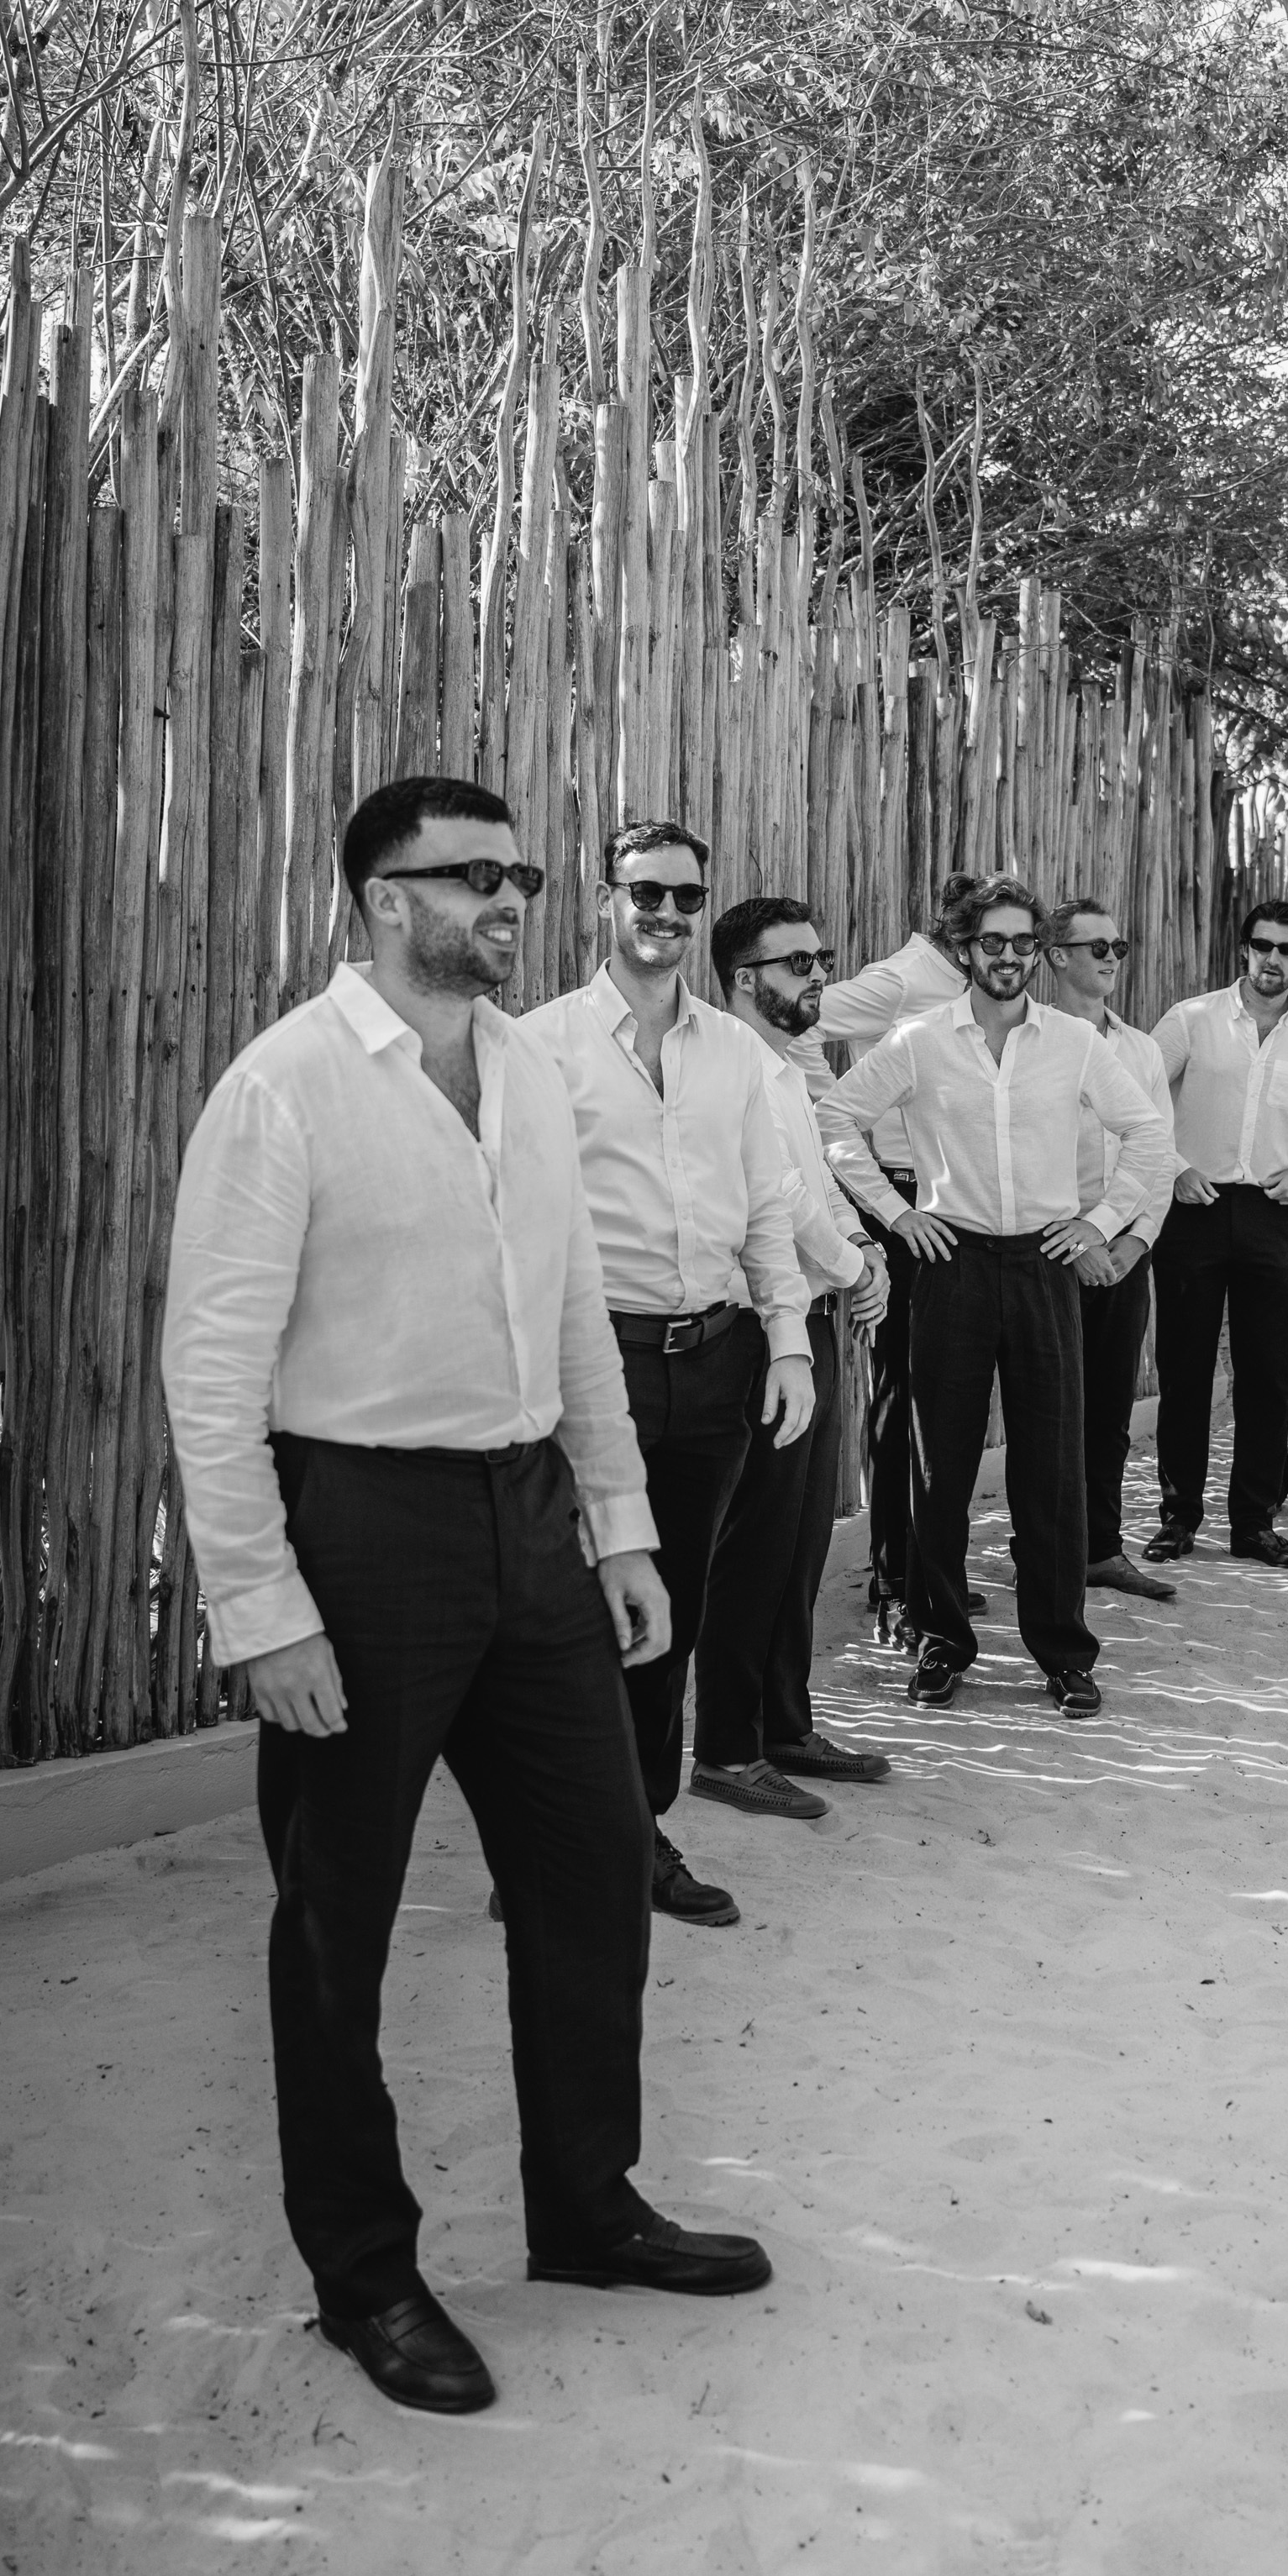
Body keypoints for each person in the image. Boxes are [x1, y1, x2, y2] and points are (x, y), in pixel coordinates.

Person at [161, 775, 770, 2424]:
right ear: (383, 899)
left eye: (520, 877)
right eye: (473, 877)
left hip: (532, 1521)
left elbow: (573, 1315)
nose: (509, 901)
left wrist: (621, 1532)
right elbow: (211, 1370)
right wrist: (263, 1609)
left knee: (593, 1868)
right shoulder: (284, 1088)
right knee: (336, 1923)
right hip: (360, 1529)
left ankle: (588, 2210)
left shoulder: (529, 1075)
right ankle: (367, 2274)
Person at [528, 822, 814, 1929]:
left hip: (715, 1362)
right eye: (646, 893)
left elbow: (769, 1208)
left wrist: (788, 1342)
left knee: (671, 1614)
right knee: (577, 1612)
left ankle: (632, 1830)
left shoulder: (737, 1053)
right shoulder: (541, 1046)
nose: (666, 915)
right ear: (606, 899)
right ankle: (556, 1840)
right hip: (597, 1364)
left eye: (687, 898)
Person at [816, 876, 1175, 1716]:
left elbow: (1148, 1134)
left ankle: (1064, 1652)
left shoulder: (1074, 1043)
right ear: (964, 948)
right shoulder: (920, 1040)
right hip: (953, 1263)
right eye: (992, 942)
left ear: (1036, 952)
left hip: (1046, 1264)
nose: (1009, 956)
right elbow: (834, 1117)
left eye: (1022, 942)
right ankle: (941, 1643)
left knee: (1051, 1468)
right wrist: (898, 1215)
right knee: (938, 1466)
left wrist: (1103, 1222)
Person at [691, 897, 894, 1822]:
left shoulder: (786, 1065)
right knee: (755, 1547)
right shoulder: (729, 1067)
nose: (818, 976)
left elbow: (821, 1182)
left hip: (810, 1321)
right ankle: (727, 1751)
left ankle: (784, 1725)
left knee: (803, 1542)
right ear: (745, 978)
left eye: (821, 960)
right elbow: (774, 1194)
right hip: (757, 1333)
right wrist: (855, 1268)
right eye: (797, 963)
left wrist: (862, 1252)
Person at [1145, 899, 1288, 1572]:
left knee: (1268, 1374)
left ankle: (1254, 1524)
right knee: (1185, 1371)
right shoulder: (1191, 1019)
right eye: (1263, 946)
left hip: (1273, 1214)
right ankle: (1179, 1518)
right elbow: (1135, 1100)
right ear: (1244, 950)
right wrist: (1175, 1168)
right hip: (1195, 1209)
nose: (1274, 959)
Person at [803, 882, 974, 1643]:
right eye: (988, 937)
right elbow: (804, 1018)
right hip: (904, 1200)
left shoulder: (969, 988)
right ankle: (894, 1576)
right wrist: (825, 1099)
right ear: (959, 934)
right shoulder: (902, 980)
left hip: (960, 1204)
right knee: (901, 1391)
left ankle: (930, 1571)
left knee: (945, 1394)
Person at [1041, 896, 1180, 1603]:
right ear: (1056, 956)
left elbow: (1158, 1154)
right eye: (1098, 947)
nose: (1112, 958)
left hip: (1125, 1253)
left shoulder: (1142, 1050)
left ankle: (1101, 1549)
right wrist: (1079, 1241)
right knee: (1049, 1414)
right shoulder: (1030, 1040)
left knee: (1110, 1413)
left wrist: (1133, 1239)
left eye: (1119, 947)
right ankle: (1044, 1556)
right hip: (1050, 1252)